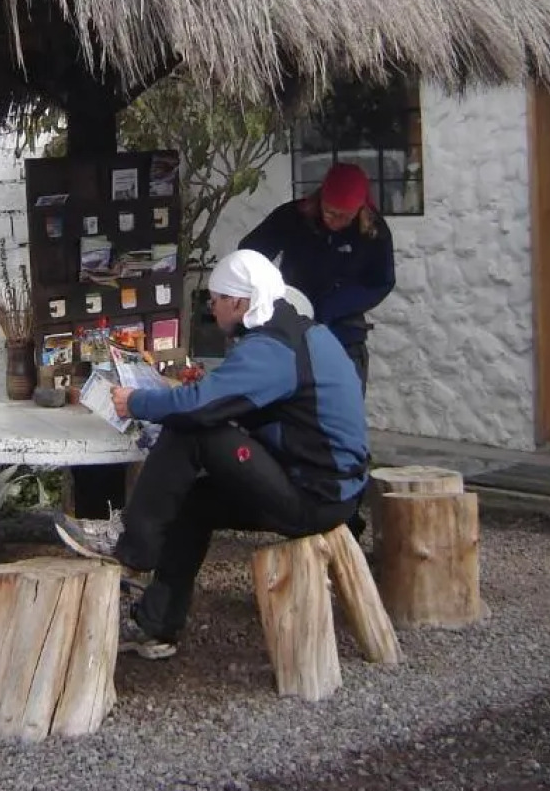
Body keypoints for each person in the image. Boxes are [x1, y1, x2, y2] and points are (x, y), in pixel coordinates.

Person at [54, 249, 369, 660]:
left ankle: (129, 543)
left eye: (216, 298)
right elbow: (274, 410)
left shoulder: (275, 348)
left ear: (240, 302)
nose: (211, 306)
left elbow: (201, 406)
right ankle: (156, 626)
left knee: (193, 429)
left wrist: (137, 402)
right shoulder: (297, 332)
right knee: (195, 501)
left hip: (315, 497)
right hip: (325, 486)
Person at [239, 162, 394, 390]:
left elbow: (381, 282)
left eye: (345, 216)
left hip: (343, 334)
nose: (335, 220)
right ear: (320, 198)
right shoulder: (293, 216)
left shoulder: (374, 232)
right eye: (329, 211)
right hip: (292, 328)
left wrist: (334, 306)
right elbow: (249, 255)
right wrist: (269, 290)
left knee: (342, 407)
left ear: (361, 210)